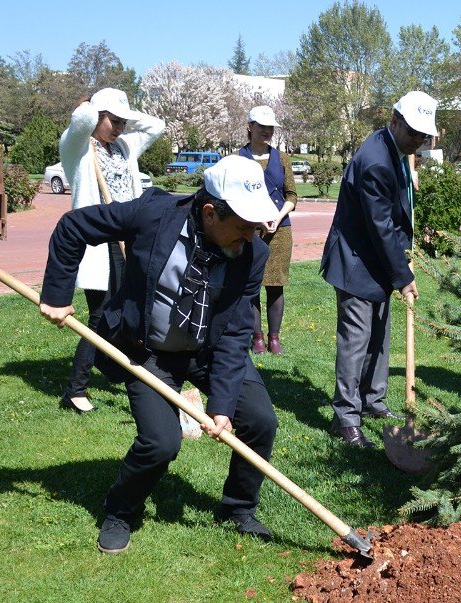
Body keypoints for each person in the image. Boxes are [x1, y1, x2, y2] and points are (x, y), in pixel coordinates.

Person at [39, 156, 282, 554]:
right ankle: (120, 510)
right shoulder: (152, 214)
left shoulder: (252, 254)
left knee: (260, 421)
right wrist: (56, 294)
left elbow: (237, 331)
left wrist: (221, 405)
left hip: (207, 350)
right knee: (161, 443)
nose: (252, 235)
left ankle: (238, 508)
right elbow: (74, 227)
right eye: (243, 226)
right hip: (147, 351)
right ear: (209, 212)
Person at [320, 91, 437, 448]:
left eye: (423, 135)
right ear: (395, 120)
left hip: (378, 261)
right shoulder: (376, 162)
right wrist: (403, 275)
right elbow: (380, 226)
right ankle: (346, 418)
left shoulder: (393, 150)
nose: (418, 140)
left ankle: (373, 401)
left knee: (380, 336)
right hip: (357, 262)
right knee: (356, 341)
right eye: (413, 132)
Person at [58, 88, 165, 413]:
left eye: (123, 121)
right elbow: (82, 121)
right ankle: (75, 390)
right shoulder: (77, 148)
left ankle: (124, 369)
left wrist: (121, 117)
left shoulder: (124, 146)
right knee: (100, 315)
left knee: (134, 307)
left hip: (128, 238)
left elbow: (155, 125)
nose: (119, 127)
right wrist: (91, 107)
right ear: (97, 116)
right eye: (113, 121)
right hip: (97, 242)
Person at [239, 105, 296, 356]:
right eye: (262, 126)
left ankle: (274, 338)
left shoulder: (282, 159)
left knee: (275, 285)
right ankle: (257, 338)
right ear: (250, 127)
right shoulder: (236, 159)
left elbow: (291, 195)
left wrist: (277, 215)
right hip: (247, 231)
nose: (267, 131)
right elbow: (231, 198)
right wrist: (257, 220)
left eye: (270, 127)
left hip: (280, 230)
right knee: (251, 284)